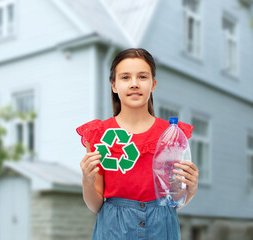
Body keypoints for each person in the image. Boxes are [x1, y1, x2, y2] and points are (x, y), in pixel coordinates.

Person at [76, 48, 199, 240]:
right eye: (125, 77)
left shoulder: (172, 134)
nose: (134, 84)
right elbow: (95, 205)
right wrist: (87, 181)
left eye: (142, 77)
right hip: (113, 229)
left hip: (162, 227)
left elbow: (173, 201)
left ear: (153, 84)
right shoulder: (98, 135)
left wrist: (190, 190)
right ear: (114, 85)